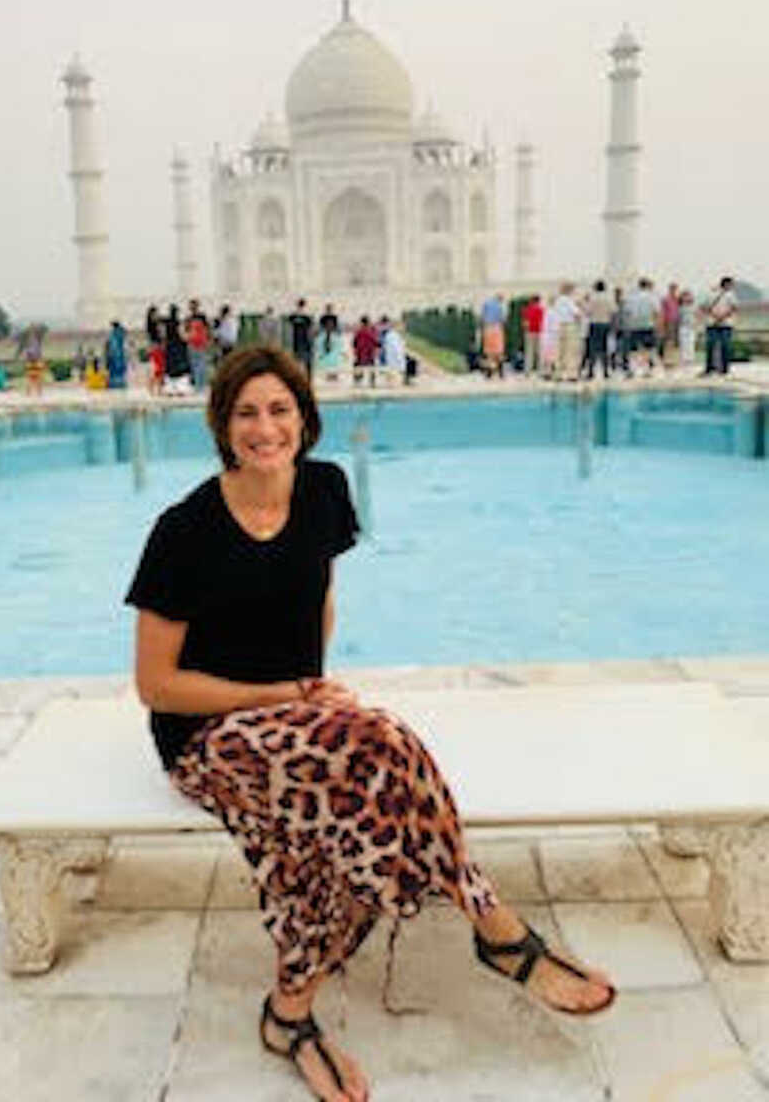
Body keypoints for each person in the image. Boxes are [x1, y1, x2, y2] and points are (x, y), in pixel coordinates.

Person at [126, 346, 616, 1102]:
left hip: (301, 713)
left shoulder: (323, 489)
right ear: (222, 425)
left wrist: (314, 703)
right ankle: (493, 926)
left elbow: (317, 593)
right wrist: (284, 697)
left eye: (280, 409)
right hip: (208, 738)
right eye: (247, 412)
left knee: (362, 788)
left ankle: (289, 1015)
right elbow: (155, 685)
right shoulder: (184, 530)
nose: (266, 427)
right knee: (375, 755)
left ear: (305, 419)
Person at [701, 275, 737, 376]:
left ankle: (724, 369)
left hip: (726, 324)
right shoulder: (712, 294)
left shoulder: (731, 295)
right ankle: (709, 368)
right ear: (726, 284)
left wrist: (722, 317)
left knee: (726, 346)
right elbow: (704, 307)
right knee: (710, 345)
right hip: (712, 323)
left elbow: (733, 308)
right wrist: (716, 316)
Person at [625, 277, 660, 377]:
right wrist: (657, 325)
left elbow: (627, 312)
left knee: (633, 350)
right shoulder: (652, 297)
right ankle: (647, 370)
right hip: (648, 325)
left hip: (634, 325)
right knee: (648, 349)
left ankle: (632, 369)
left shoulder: (631, 297)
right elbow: (656, 312)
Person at [585, 280, 613, 380]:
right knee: (604, 347)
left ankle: (591, 371)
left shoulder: (592, 298)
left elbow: (587, 311)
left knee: (593, 348)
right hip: (605, 323)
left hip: (594, 323)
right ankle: (605, 371)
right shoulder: (608, 298)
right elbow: (613, 310)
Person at [553, 284, 580, 381]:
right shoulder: (568, 300)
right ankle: (571, 374)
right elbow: (576, 313)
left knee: (560, 351)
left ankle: (558, 373)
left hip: (559, 326)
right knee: (571, 351)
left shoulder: (557, 301)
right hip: (569, 326)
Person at [185, 300, 211, 390]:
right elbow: (207, 329)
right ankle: (201, 385)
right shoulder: (202, 317)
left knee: (195, 364)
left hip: (193, 343)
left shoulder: (189, 318)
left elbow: (186, 331)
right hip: (201, 343)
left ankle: (197, 385)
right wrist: (208, 340)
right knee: (201, 364)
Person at [164, 305, 191, 394]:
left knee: (170, 369)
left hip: (169, 347)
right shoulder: (178, 323)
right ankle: (181, 389)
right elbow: (182, 336)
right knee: (180, 369)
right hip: (178, 348)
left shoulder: (167, 323)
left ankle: (169, 389)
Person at [480, 293, 506, 378]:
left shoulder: (486, 304)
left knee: (489, 352)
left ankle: (489, 372)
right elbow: (502, 319)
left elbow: (482, 317)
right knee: (498, 352)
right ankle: (500, 372)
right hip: (497, 328)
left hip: (487, 328)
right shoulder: (499, 307)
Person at [288, 298, 314, 378]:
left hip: (297, 340)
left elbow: (290, 322)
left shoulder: (294, 315)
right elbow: (310, 326)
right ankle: (307, 376)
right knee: (305, 361)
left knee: (298, 359)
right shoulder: (306, 315)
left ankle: (298, 375)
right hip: (304, 340)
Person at [352, 315, 378, 386]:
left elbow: (354, 342)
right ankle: (372, 382)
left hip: (361, 354)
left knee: (357, 366)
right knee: (372, 366)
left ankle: (357, 381)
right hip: (369, 354)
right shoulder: (371, 331)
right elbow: (375, 342)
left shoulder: (359, 331)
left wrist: (355, 351)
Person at [521, 295, 544, 376]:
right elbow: (543, 321)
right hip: (538, 332)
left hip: (529, 332)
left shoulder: (526, 309)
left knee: (529, 352)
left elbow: (524, 322)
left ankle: (527, 370)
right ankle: (540, 370)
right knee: (539, 352)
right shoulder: (541, 309)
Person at [660, 283, 681, 369]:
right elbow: (663, 311)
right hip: (668, 321)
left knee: (675, 342)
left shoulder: (677, 299)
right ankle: (667, 360)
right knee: (668, 341)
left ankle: (674, 360)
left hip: (676, 321)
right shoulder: (666, 299)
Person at [105, 320, 128, 389]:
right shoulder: (119, 333)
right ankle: (119, 382)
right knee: (118, 369)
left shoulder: (114, 333)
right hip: (118, 354)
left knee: (115, 368)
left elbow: (111, 344)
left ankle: (115, 383)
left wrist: (109, 352)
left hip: (115, 354)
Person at [678, 289, 697, 369]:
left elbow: (697, 316)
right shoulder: (680, 307)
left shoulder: (693, 307)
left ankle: (690, 359)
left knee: (691, 343)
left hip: (691, 326)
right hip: (683, 326)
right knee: (683, 343)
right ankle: (684, 359)